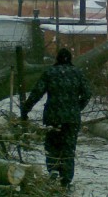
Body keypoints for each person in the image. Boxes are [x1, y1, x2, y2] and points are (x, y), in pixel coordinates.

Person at [21, 48, 91, 188]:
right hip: (71, 119)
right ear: (70, 59)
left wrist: (26, 109)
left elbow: (37, 92)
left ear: (57, 59)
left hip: (52, 116)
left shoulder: (50, 73)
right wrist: (77, 108)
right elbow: (87, 93)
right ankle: (66, 179)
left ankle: (53, 170)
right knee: (68, 147)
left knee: (52, 145)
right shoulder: (77, 73)